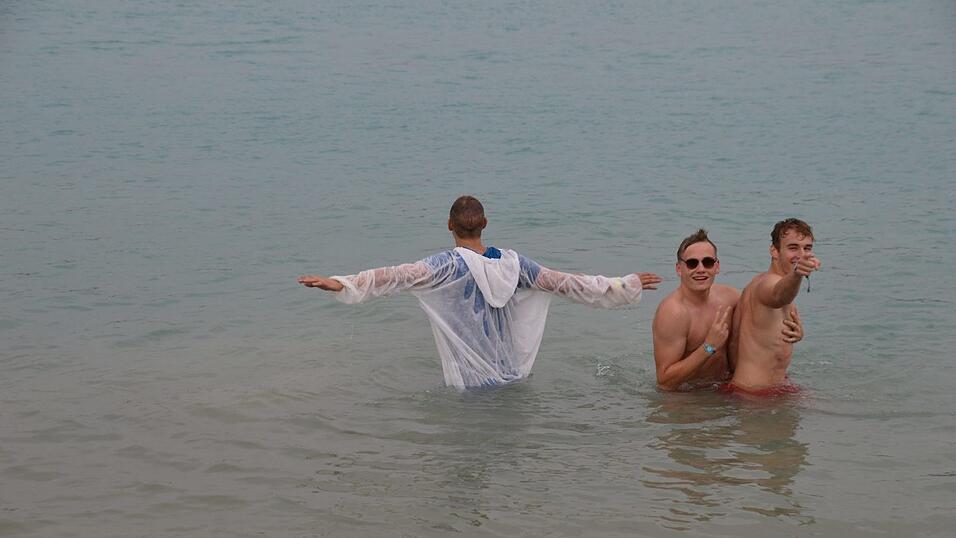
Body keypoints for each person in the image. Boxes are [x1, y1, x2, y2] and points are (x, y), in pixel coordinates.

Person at [298, 195, 663, 389]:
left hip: (469, 380)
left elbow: (394, 276)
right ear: (485, 224)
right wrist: (623, 285)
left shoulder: (445, 266)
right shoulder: (516, 264)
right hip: (512, 373)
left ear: (449, 225)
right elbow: (569, 283)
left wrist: (342, 283)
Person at [652, 229, 803, 391]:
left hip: (726, 390)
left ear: (717, 266)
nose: (701, 269)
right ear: (679, 269)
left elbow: (769, 306)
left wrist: (794, 330)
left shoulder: (729, 297)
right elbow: (664, 381)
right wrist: (708, 346)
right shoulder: (673, 313)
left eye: (708, 262)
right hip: (691, 397)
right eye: (692, 263)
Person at [726, 218, 821, 395]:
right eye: (793, 248)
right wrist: (797, 273)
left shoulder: (765, 283)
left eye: (807, 248)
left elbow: (735, 343)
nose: (801, 254)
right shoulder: (766, 284)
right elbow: (778, 295)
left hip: (762, 390)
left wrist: (795, 335)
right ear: (774, 251)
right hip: (754, 396)